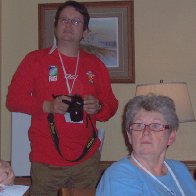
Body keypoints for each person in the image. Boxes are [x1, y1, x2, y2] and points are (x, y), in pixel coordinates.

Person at [6, 1, 118, 195]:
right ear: (56, 26)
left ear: (84, 31)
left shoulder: (96, 65)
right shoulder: (35, 60)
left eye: (76, 22)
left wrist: (98, 106)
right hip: (46, 160)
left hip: (87, 159)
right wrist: (47, 105)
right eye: (64, 20)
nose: (68, 25)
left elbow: (111, 106)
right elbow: (13, 100)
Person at [96, 95, 196, 196]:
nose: (146, 132)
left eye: (156, 125)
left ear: (171, 137)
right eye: (139, 125)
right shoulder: (118, 175)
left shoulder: (180, 169)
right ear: (130, 136)